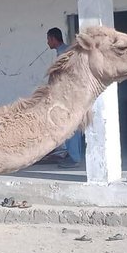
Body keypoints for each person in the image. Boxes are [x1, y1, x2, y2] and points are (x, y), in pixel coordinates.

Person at [46, 27, 84, 169]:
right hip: (74, 94)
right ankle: (74, 154)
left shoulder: (64, 54)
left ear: (54, 39)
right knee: (73, 126)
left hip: (69, 96)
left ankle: (74, 158)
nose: (47, 42)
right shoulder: (67, 50)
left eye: (48, 39)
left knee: (70, 127)